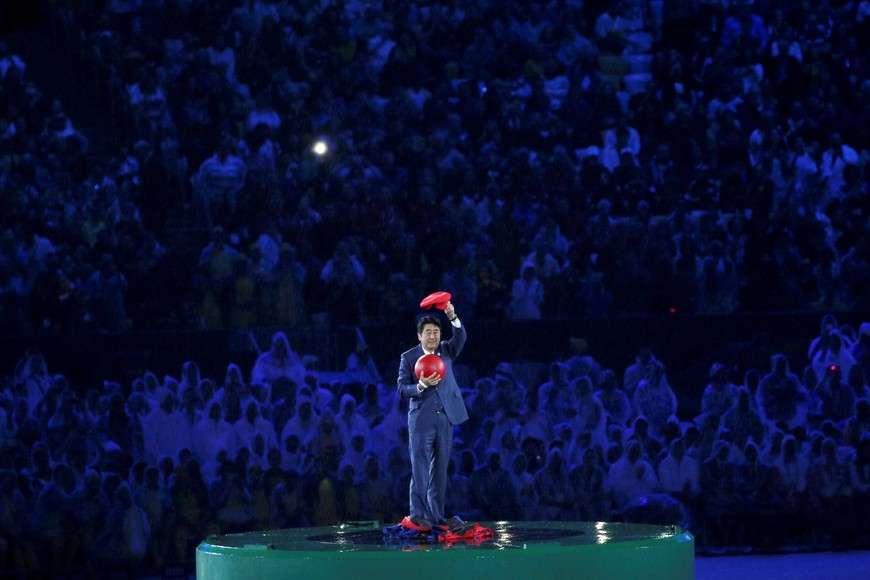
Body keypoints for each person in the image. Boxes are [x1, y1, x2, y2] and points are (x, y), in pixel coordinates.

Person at [396, 300, 467, 525]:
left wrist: (452, 316)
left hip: (445, 416)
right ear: (419, 336)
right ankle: (418, 515)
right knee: (420, 467)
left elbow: (461, 338)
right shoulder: (408, 357)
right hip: (421, 419)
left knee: (440, 469)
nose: (433, 336)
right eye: (428, 332)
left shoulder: (446, 350)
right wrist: (420, 385)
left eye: (436, 332)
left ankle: (435, 516)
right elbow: (401, 389)